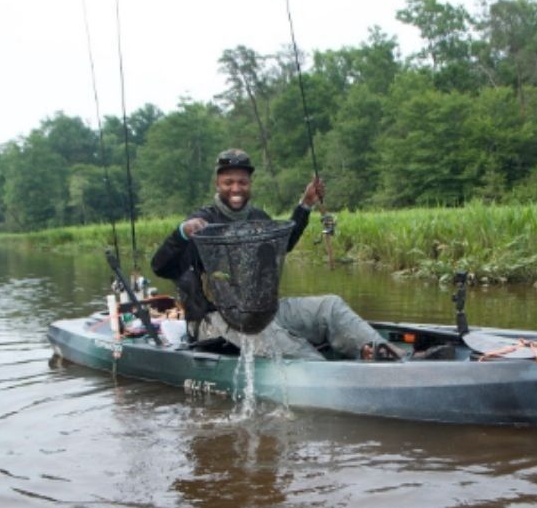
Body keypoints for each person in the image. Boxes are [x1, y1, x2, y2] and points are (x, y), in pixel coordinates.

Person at [150, 148, 403, 360]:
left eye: (242, 182)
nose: (235, 188)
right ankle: (325, 372)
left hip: (261, 311)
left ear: (250, 184)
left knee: (330, 306)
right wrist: (182, 233)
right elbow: (161, 266)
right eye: (229, 182)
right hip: (212, 320)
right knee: (265, 333)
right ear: (218, 184)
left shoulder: (258, 218)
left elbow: (283, 245)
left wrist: (305, 206)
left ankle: (391, 357)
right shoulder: (200, 223)